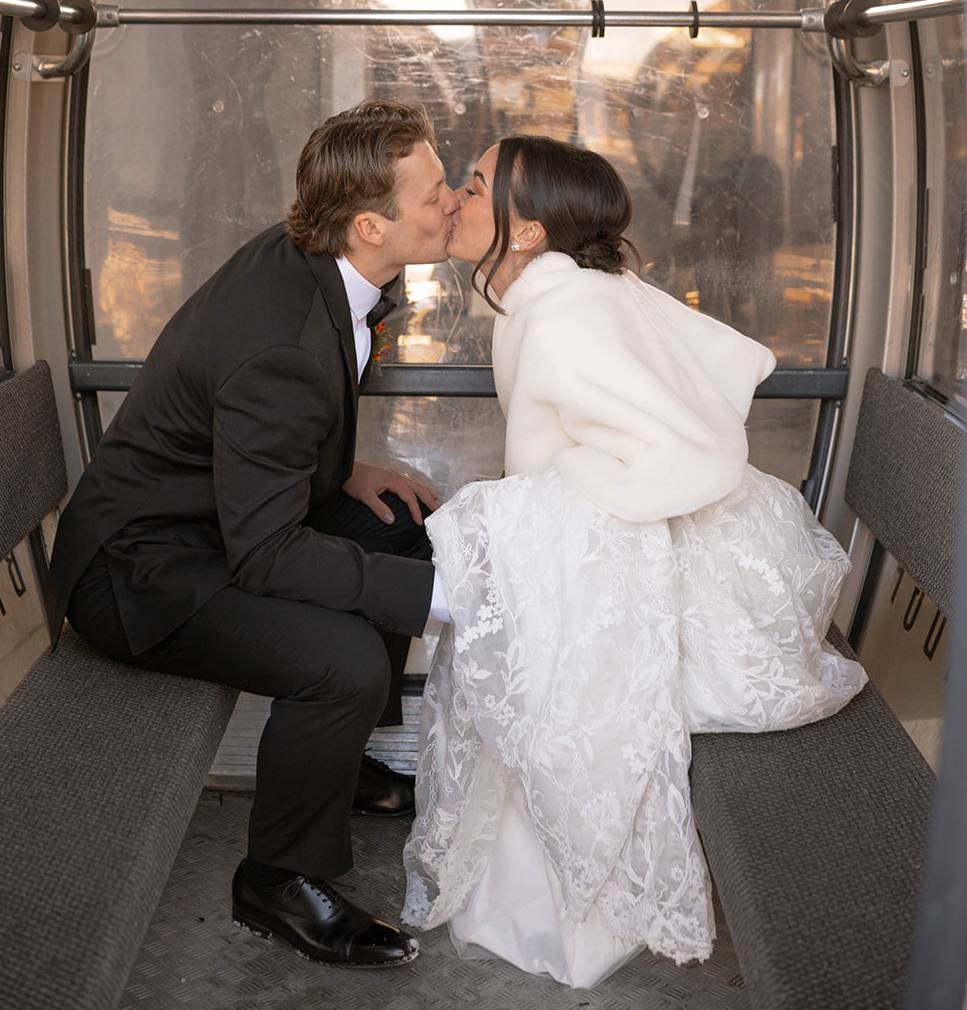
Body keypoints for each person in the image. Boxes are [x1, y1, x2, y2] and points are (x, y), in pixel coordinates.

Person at [402, 134, 867, 988]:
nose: (455, 201)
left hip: (666, 560)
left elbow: (698, 452)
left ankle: (569, 914)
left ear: (530, 231)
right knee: (509, 609)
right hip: (620, 538)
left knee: (535, 648)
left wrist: (544, 507)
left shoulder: (564, 310)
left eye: (472, 186)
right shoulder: (549, 293)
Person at [48, 101, 460, 970]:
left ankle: (336, 767)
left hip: (214, 523)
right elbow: (268, 551)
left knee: (403, 524)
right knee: (341, 658)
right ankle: (278, 880)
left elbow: (247, 432)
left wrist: (343, 471)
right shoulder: (280, 336)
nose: (453, 200)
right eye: (433, 194)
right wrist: (444, 602)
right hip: (140, 575)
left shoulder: (312, 262)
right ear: (369, 223)